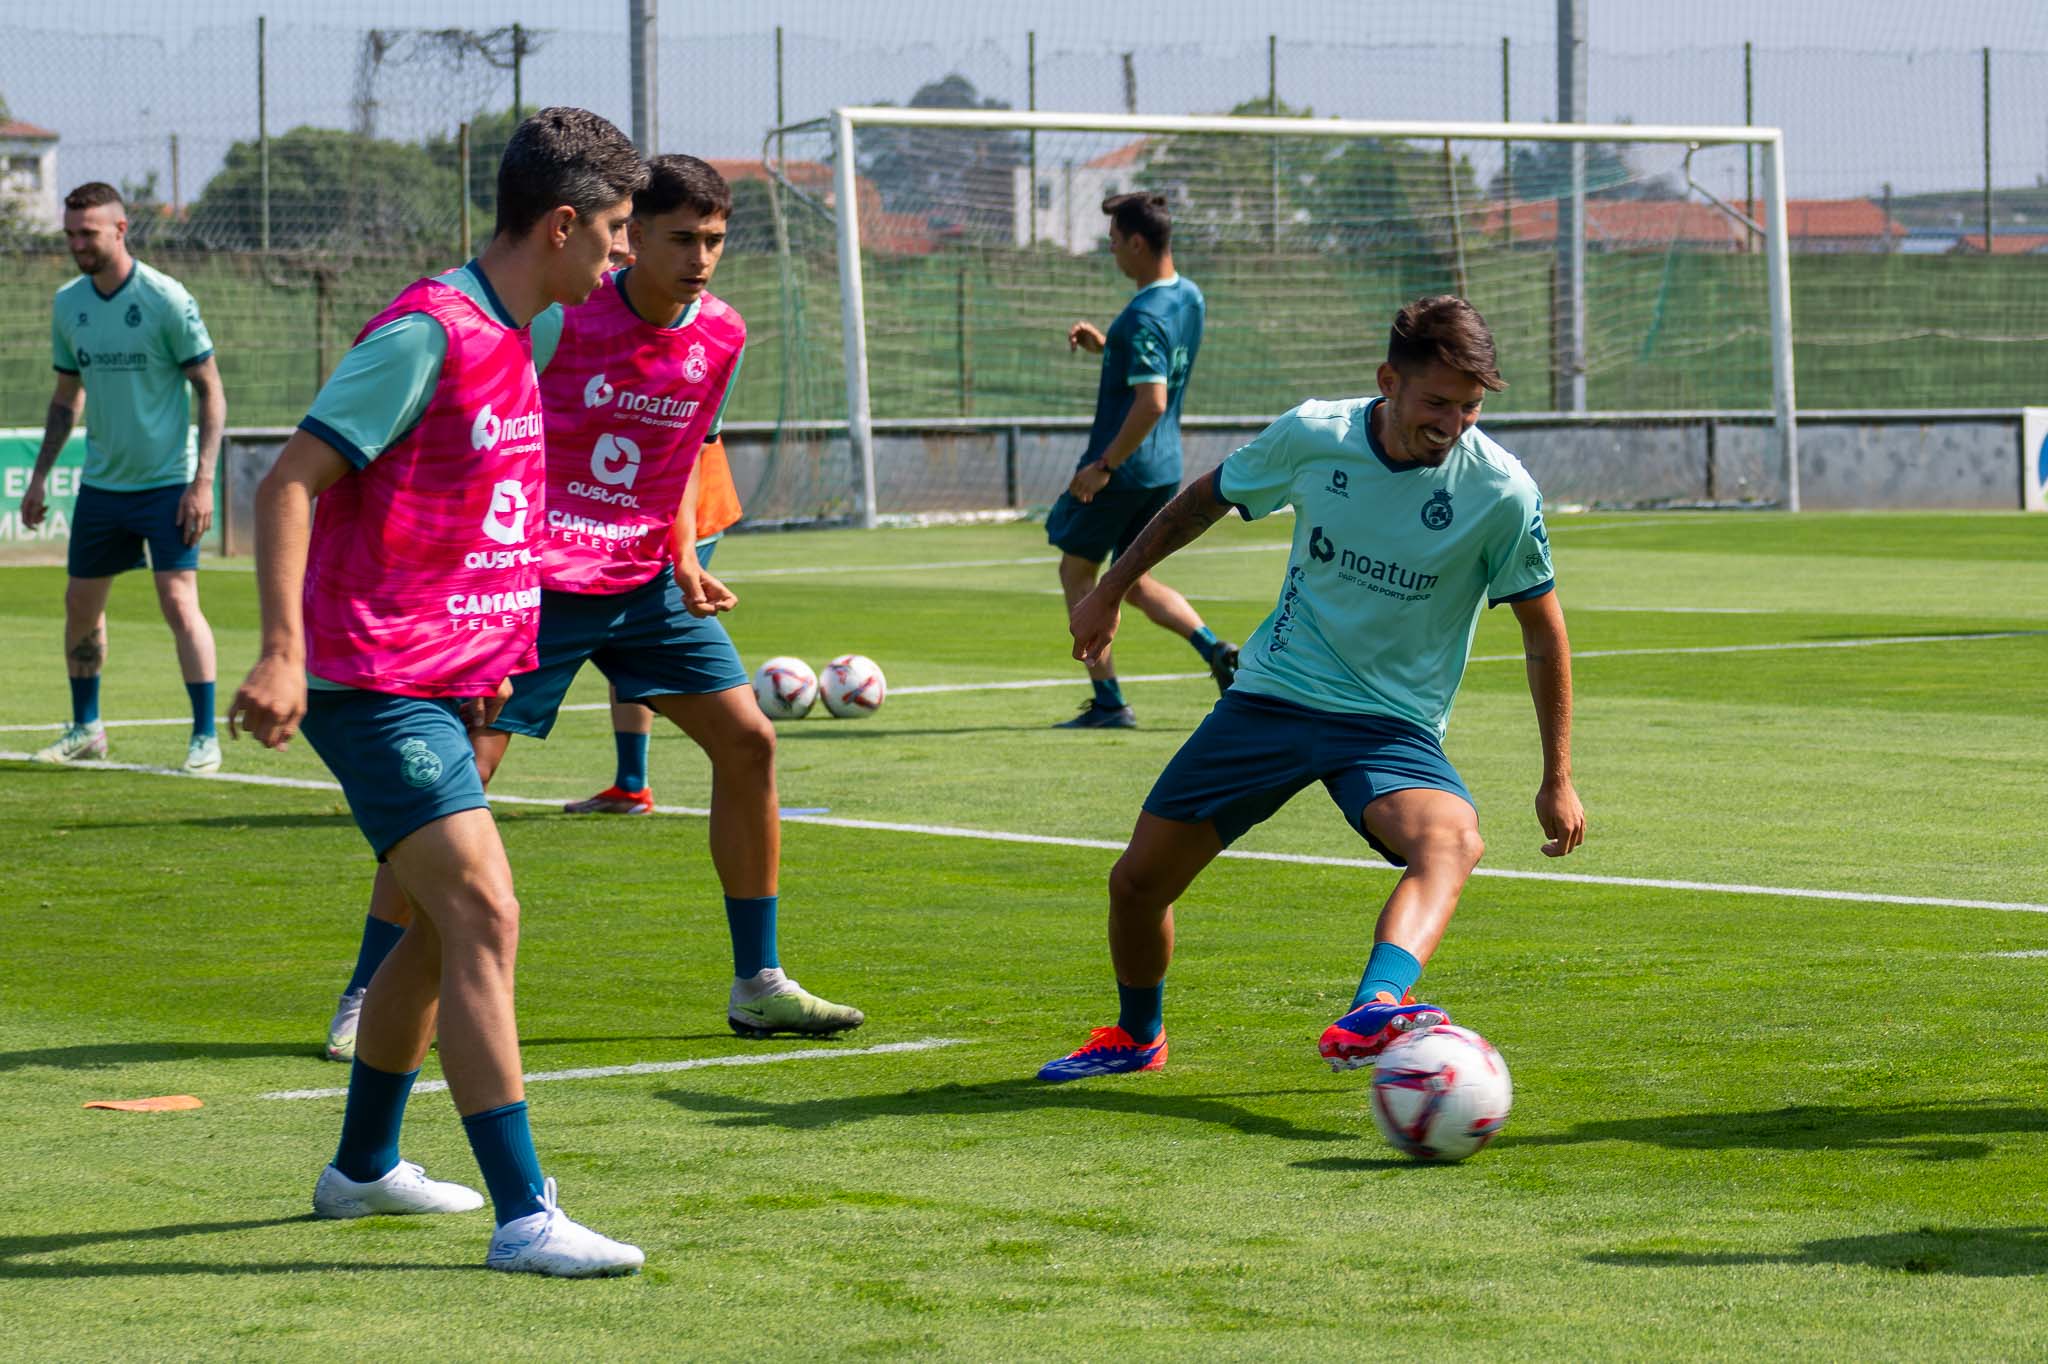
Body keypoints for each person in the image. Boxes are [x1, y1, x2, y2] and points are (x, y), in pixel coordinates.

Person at [323, 155, 861, 1067]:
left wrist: (687, 561)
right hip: (535, 580)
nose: (701, 258)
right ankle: (366, 990)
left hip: (648, 580)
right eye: (681, 238)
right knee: (458, 784)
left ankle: (758, 984)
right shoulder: (562, 318)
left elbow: (684, 456)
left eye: (716, 241)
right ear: (631, 236)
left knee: (749, 742)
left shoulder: (723, 335)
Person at [229, 107, 648, 1276]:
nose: (619, 255)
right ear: (560, 223)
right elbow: (287, 482)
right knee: (486, 913)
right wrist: (276, 651)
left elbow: (478, 509)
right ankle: (528, 1213)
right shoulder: (426, 332)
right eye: (613, 231)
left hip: (449, 679)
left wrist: (490, 653)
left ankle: (361, 1166)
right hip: (370, 676)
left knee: (433, 915)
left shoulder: (538, 332)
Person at [1037, 295, 1586, 1083]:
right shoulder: (1314, 434)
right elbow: (1204, 499)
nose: (1453, 424)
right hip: (1272, 697)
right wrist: (1111, 589)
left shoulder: (1501, 491)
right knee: (1136, 884)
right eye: (1436, 402)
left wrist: (1556, 777)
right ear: (1387, 381)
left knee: (1453, 839)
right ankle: (1137, 1035)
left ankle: (1378, 1005)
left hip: (1388, 726)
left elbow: (1544, 633)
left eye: (1469, 408)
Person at [23, 182, 226, 773]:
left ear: (120, 229)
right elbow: (67, 397)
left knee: (177, 599)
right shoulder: (69, 304)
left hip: (167, 483)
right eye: (69, 234)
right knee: (80, 603)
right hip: (103, 485)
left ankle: (204, 736)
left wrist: (203, 479)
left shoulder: (166, 298)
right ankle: (87, 727)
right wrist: (40, 477)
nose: (76, 243)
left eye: (87, 232)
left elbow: (210, 389)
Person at [1046, 191, 1234, 730]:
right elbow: (1160, 366)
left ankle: (1108, 703)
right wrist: (1109, 346)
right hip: (1164, 464)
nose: (1111, 254)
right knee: (1134, 577)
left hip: (1123, 468)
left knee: (1078, 573)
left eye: (1112, 243)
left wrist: (1103, 465)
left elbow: (1151, 400)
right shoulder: (1189, 297)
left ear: (1136, 241)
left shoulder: (1140, 317)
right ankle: (1214, 650)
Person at [564, 432, 744, 815]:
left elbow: (696, 437)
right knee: (624, 643)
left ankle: (633, 782)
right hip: (628, 507)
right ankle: (631, 784)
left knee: (628, 637)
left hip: (678, 512)